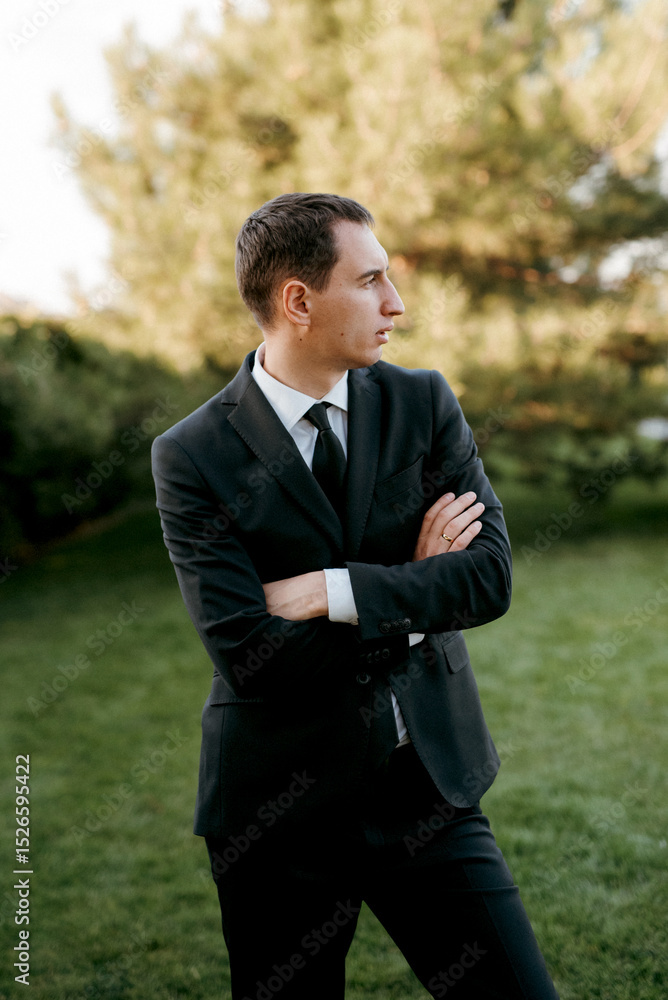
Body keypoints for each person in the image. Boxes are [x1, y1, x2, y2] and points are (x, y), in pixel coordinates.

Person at [151, 192, 560, 999]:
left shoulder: (423, 402)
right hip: (278, 814)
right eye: (370, 281)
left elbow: (489, 577)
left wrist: (335, 590)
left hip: (429, 787)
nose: (395, 304)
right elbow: (249, 654)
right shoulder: (191, 455)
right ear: (298, 302)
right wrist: (414, 596)